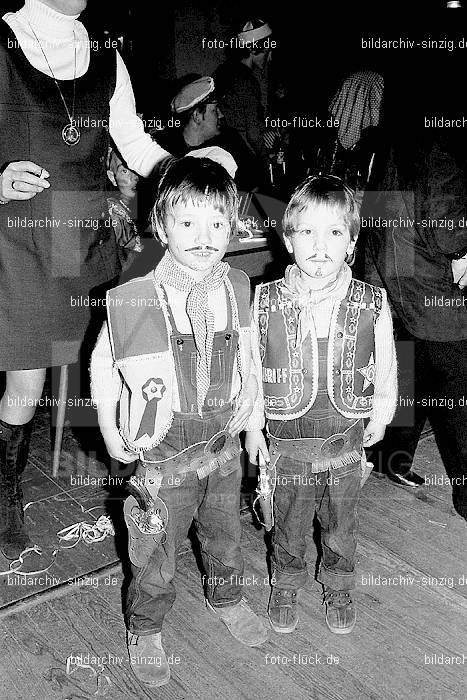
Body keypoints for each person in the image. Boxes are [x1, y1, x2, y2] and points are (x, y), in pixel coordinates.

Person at [0, 0, 169, 559]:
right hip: (21, 241)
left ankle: (139, 499)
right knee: (26, 386)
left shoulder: (105, 53)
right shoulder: (4, 41)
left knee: (126, 368)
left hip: (91, 241)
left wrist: (191, 171)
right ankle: (4, 504)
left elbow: (137, 146)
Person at [90, 156, 268, 688]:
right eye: (187, 222)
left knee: (225, 535)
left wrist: (255, 422)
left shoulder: (238, 285)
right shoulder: (140, 298)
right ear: (161, 225)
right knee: (155, 549)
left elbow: (252, 357)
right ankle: (145, 628)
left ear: (233, 226)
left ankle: (227, 595)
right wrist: (109, 429)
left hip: (222, 446)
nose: (204, 236)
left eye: (217, 222)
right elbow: (103, 366)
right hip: (163, 454)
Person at [245, 175, 397, 635]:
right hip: (288, 443)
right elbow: (251, 370)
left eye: (334, 232)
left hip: (347, 439)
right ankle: (286, 582)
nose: (320, 245)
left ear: (351, 242)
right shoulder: (265, 300)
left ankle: (339, 583)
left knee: (341, 523)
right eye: (307, 232)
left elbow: (387, 363)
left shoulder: (372, 301)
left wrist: (383, 414)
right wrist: (252, 426)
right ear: (288, 240)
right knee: (288, 523)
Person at [361, 64, 467, 512]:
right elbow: (449, 233)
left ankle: (391, 457)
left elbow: (376, 220)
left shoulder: (389, 146)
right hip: (433, 294)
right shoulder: (441, 149)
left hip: (393, 285)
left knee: (410, 376)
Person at [157, 75, 263, 192]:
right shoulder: (165, 151)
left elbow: (255, 186)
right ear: (197, 116)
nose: (221, 115)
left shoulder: (230, 140)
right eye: (214, 110)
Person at [213, 18, 273, 159]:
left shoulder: (222, 71)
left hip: (220, 149)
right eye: (266, 52)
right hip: (239, 152)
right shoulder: (248, 82)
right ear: (253, 49)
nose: (269, 58)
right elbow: (253, 135)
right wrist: (265, 158)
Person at [106, 146, 143, 271]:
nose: (134, 177)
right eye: (125, 171)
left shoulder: (140, 207)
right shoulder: (113, 214)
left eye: (137, 168)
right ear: (112, 177)